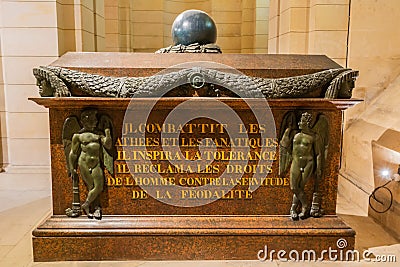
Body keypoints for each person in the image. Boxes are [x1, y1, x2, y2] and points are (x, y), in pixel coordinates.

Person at [68, 109, 112, 219]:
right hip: (84, 163)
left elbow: (108, 145)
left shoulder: (98, 134)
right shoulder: (78, 136)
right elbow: (73, 153)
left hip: (96, 163)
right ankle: (96, 208)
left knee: (99, 187)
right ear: (85, 120)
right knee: (91, 186)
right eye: (93, 119)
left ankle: (86, 204)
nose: (96, 121)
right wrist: (71, 167)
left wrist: (107, 130)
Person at [281, 112, 323, 220]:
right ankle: (305, 205)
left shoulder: (314, 137)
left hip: (308, 163)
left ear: (307, 123)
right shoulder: (295, 134)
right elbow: (284, 144)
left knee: (300, 187)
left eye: (302, 122)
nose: (299, 123)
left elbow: (318, 153)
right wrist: (288, 129)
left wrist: (318, 168)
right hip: (296, 162)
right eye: (299, 121)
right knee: (294, 187)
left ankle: (294, 209)